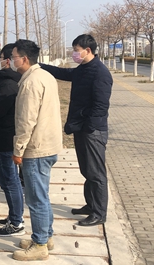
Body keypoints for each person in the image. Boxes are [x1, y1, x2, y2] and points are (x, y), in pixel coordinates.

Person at [39, 34, 113, 227]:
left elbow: (100, 106)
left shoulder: (100, 73)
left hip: (92, 131)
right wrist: (38, 65)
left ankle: (99, 213)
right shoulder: (84, 69)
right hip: (82, 128)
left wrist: (89, 127)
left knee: (96, 173)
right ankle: (90, 205)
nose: (74, 54)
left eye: (76, 50)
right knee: (87, 170)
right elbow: (63, 73)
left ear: (87, 50)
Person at [10, 39, 62, 261]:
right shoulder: (45, 76)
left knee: (36, 199)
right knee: (42, 195)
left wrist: (18, 149)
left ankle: (40, 245)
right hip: (49, 144)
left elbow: (26, 120)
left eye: (13, 57)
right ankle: (45, 236)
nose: (11, 60)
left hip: (36, 147)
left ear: (24, 59)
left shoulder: (30, 82)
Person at [0, 43, 25, 237]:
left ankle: (16, 222)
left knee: (10, 181)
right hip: (2, 138)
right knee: (7, 181)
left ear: (8, 61)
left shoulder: (8, 85)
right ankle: (14, 215)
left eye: (0, 58)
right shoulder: (8, 79)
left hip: (4, 140)